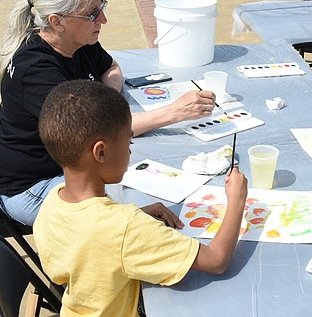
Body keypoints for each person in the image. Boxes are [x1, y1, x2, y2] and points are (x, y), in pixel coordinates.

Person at [0, 0, 216, 226]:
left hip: (69, 169)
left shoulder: (76, 40)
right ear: (57, 21)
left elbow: (111, 67)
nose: (103, 20)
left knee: (147, 188)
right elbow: (103, 133)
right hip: (30, 187)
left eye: (101, 8)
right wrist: (174, 112)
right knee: (145, 214)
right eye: (92, 14)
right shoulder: (38, 73)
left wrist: (107, 104)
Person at [34, 80, 248, 317]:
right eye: (129, 141)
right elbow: (216, 260)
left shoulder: (54, 200)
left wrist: (139, 217)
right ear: (101, 152)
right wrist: (237, 201)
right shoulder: (125, 227)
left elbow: (89, 241)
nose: (131, 150)